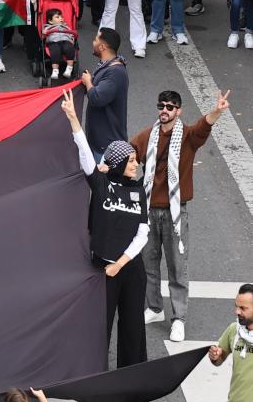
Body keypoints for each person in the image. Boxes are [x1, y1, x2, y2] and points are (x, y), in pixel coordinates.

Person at [133, 87, 231, 342]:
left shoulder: (187, 136)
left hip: (175, 213)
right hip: (148, 211)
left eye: (170, 107)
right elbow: (129, 153)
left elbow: (203, 127)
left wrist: (217, 111)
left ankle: (179, 319)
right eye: (161, 106)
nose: (164, 110)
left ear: (178, 111)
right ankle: (154, 308)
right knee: (148, 264)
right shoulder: (148, 136)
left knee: (178, 267)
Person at [60, 90, 149, 368]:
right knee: (99, 327)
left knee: (133, 326)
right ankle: (95, 376)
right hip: (104, 269)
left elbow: (143, 233)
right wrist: (74, 118)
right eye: (131, 160)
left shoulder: (138, 190)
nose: (136, 164)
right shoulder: (100, 183)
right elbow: (85, 153)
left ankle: (131, 383)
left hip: (129, 268)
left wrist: (120, 264)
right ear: (119, 162)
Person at [79, 26, 129, 158]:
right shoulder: (106, 65)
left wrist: (88, 82)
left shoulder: (115, 72)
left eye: (95, 40)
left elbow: (97, 98)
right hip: (100, 141)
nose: (93, 42)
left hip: (106, 146)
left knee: (101, 179)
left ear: (102, 47)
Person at [43, 6, 76, 81]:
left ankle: (69, 68)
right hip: (53, 42)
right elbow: (44, 33)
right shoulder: (48, 27)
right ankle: (55, 70)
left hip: (65, 41)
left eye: (61, 17)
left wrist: (72, 39)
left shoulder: (66, 27)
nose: (61, 18)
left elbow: (71, 34)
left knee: (70, 49)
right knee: (55, 51)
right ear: (50, 21)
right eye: (57, 17)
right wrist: (45, 32)